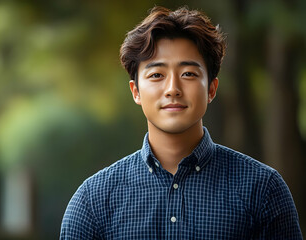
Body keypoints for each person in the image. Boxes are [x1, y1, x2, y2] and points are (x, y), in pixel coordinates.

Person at [60, 6, 303, 239]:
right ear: (136, 91)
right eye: (156, 75)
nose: (173, 89)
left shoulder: (262, 189)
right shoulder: (93, 200)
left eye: (188, 74)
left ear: (211, 88)